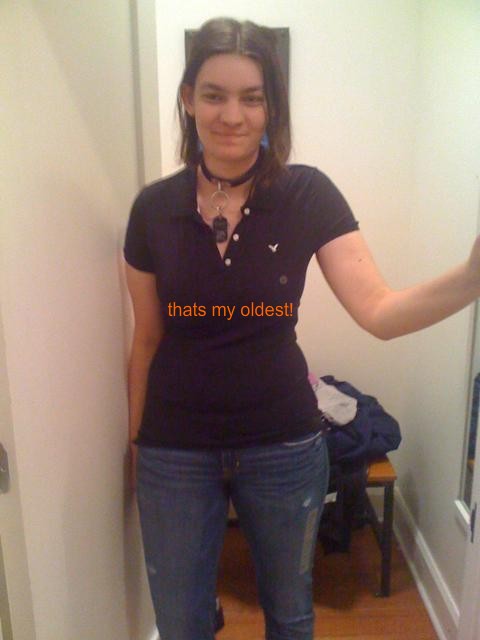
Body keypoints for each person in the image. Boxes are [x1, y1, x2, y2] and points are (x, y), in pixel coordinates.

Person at [123, 17, 480, 640]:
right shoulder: (152, 209)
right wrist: (136, 446)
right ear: (188, 99)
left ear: (271, 108)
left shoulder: (307, 194)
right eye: (214, 94)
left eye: (252, 97)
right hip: (174, 449)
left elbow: (380, 311)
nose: (232, 115)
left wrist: (471, 278)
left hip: (283, 446)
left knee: (290, 617)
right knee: (180, 624)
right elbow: (147, 340)